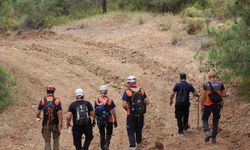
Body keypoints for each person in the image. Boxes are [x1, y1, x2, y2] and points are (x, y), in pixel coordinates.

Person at [122, 75, 149, 150]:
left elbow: (124, 104)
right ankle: (139, 144)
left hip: (131, 115)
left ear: (130, 83)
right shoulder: (142, 90)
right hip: (140, 114)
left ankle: (133, 146)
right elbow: (147, 101)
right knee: (139, 130)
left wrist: (128, 109)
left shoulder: (127, 92)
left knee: (130, 130)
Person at [36, 85, 63, 150]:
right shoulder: (57, 100)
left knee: (47, 141)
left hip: (46, 123)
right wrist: (61, 123)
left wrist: (38, 116)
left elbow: (38, 112)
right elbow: (60, 113)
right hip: (55, 123)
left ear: (47, 91)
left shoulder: (43, 100)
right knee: (56, 140)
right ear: (53, 91)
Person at [201, 72, 225, 143]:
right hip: (217, 105)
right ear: (215, 77)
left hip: (207, 105)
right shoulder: (220, 84)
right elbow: (224, 93)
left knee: (205, 119)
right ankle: (214, 138)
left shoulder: (206, 84)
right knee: (215, 120)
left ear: (209, 77)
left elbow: (203, 96)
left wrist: (202, 105)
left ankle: (207, 132)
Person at [94, 85, 118, 150]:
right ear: (106, 92)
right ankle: (107, 144)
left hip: (100, 120)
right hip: (109, 120)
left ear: (100, 92)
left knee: (102, 134)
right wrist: (115, 120)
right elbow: (113, 112)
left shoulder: (96, 101)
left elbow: (95, 111)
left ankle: (103, 148)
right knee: (109, 133)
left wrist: (93, 120)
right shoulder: (110, 101)